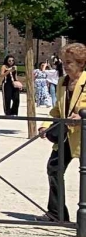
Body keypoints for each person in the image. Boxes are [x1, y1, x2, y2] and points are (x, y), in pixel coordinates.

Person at [41, 42, 86, 223]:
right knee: (54, 168)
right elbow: (57, 110)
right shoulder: (62, 82)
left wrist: (82, 115)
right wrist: (45, 125)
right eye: (63, 62)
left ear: (81, 63)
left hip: (83, 136)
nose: (65, 66)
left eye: (69, 62)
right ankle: (57, 213)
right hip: (66, 136)